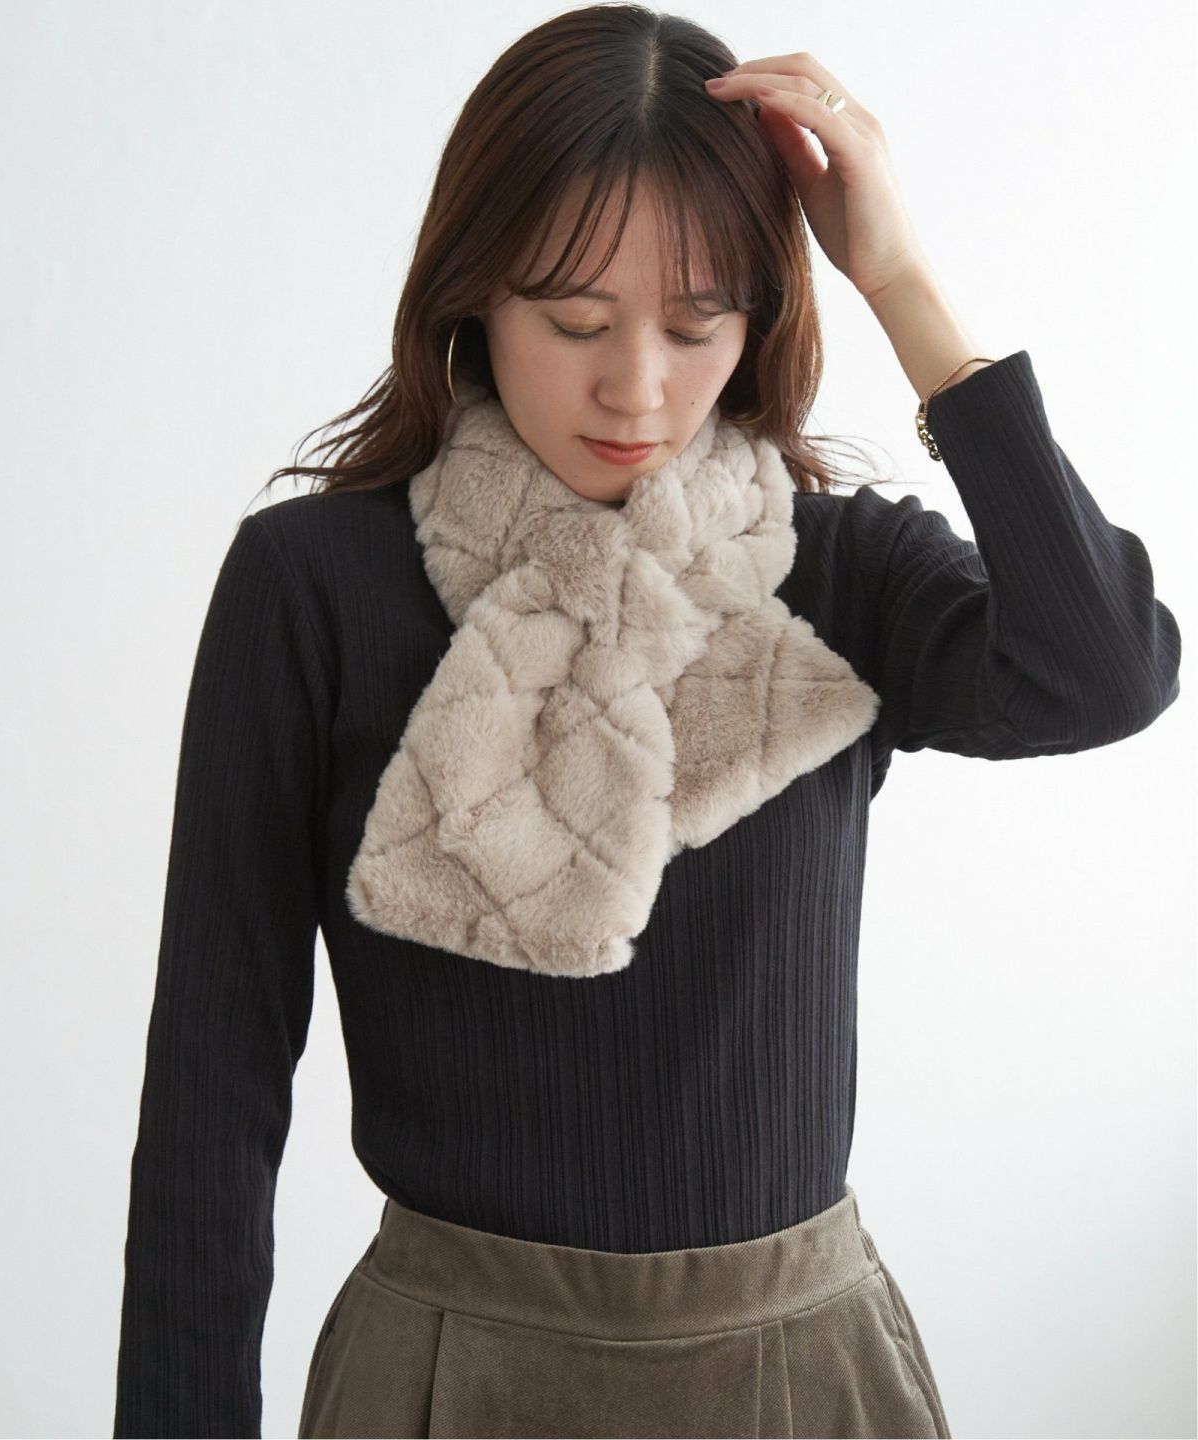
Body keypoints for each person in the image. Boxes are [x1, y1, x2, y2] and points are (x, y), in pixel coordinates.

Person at [112, 6, 1182, 1438]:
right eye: (573, 321)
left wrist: (901, 280)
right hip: (443, 1380)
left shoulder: (837, 574)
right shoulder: (315, 586)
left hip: (802, 1380)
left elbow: (1102, 673)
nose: (636, 387)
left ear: (760, 320)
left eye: (696, 324)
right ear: (472, 297)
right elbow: (214, 1082)